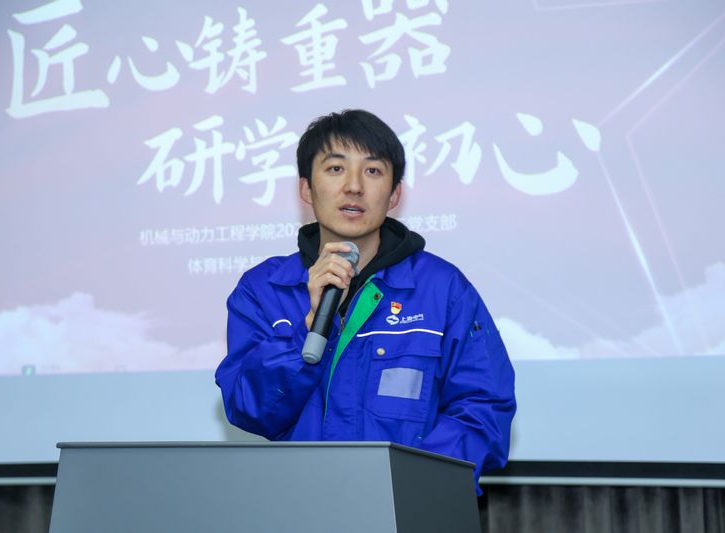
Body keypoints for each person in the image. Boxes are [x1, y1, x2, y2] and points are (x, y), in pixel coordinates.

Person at [215, 109, 516, 492]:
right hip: (298, 505)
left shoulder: (443, 289)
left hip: (408, 507)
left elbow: (483, 407)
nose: (354, 186)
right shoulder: (263, 289)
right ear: (306, 189)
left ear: (394, 194)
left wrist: (414, 485)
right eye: (335, 169)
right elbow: (250, 409)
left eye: (373, 171)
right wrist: (306, 329)